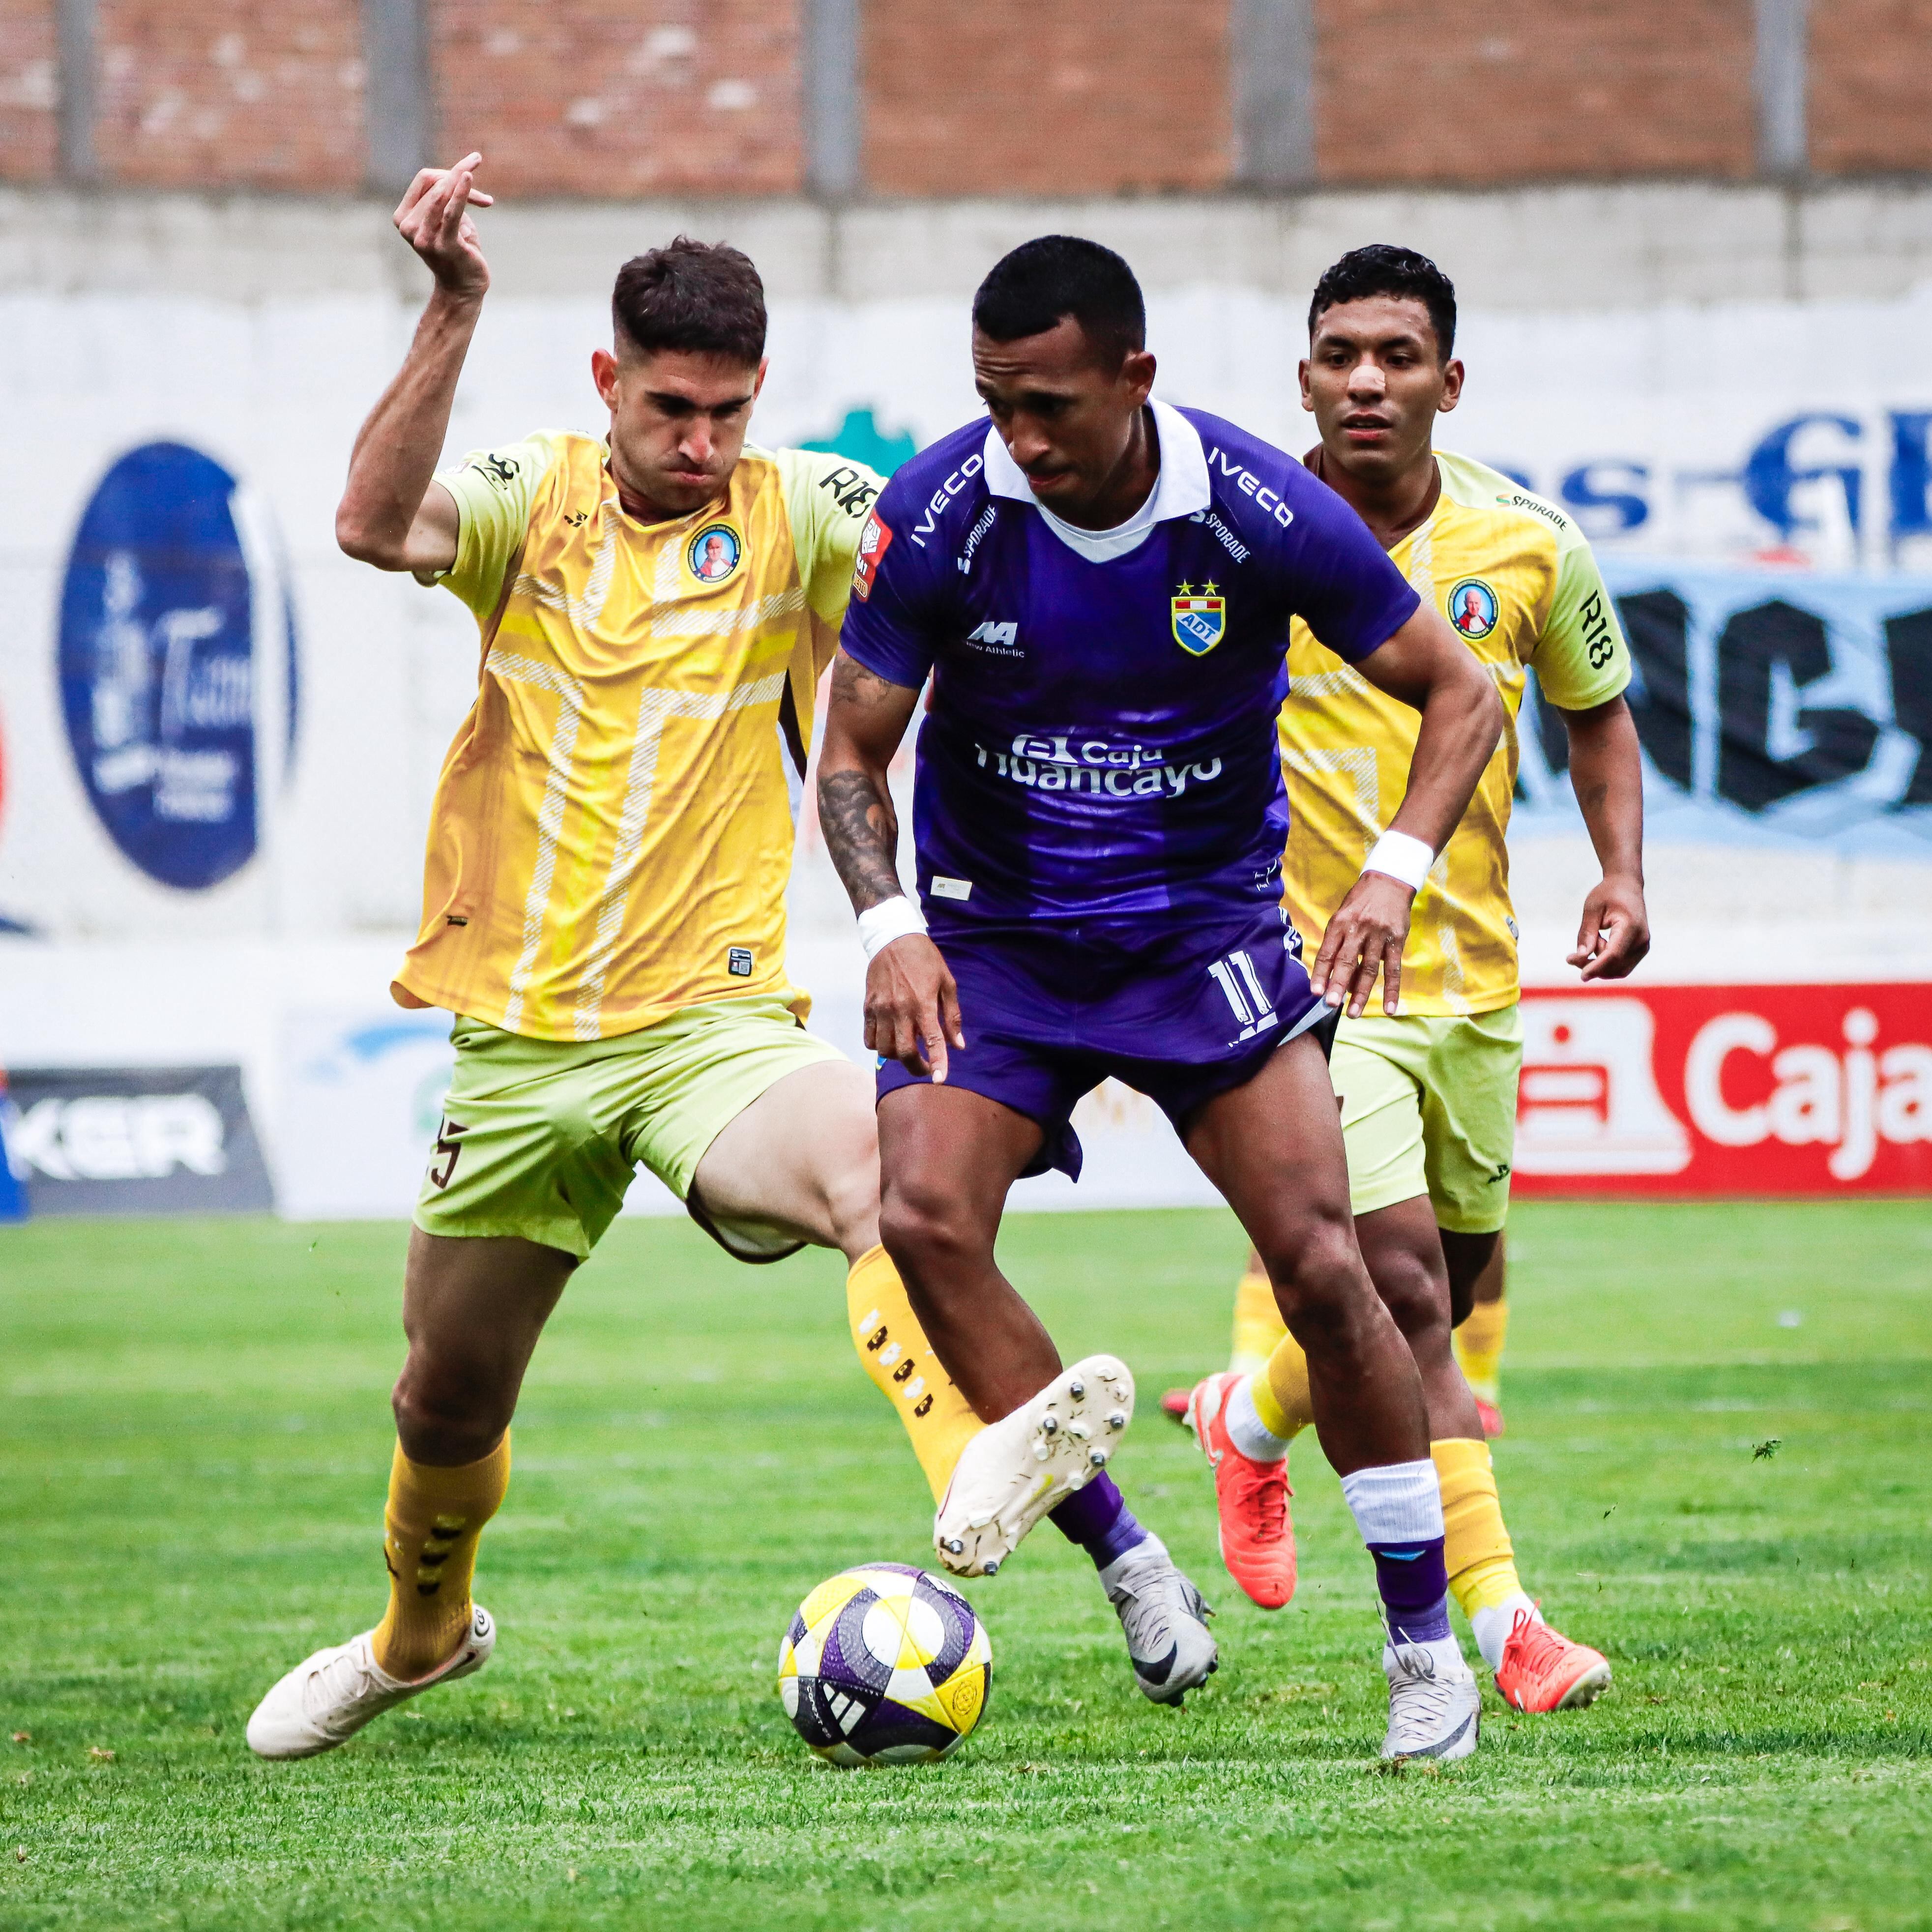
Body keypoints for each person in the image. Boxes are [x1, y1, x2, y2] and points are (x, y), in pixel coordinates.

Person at [245, 155, 904, 1758]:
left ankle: (997, 1496)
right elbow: (368, 522)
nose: (703, 443)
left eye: (730, 411)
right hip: (524, 1039)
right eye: (674, 408)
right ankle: (419, 1635)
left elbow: (957, 558)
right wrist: (456, 304)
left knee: (883, 1181)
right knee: (442, 1398)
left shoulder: (799, 506)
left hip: (715, 1024)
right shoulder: (527, 497)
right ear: (608, 379)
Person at [817, 235, 1508, 1758]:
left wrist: (1390, 870)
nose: (1024, 438)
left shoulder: (1256, 508)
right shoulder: (941, 509)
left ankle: (1421, 1655)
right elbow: (851, 748)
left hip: (1198, 938)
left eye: (1052, 404)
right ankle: (1128, 1559)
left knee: (1330, 1270)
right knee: (923, 1218)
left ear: (1135, 376)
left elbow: (1459, 692)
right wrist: (887, 926)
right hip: (995, 944)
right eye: (997, 401)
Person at [1176, 244, 1647, 1717]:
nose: (1365, 380)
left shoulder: (1527, 545)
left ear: (1450, 379)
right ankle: (1502, 1620)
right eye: (1337, 354)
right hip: (1300, 986)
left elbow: (1597, 713)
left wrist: (1620, 871)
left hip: (1473, 983)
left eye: (1395, 354)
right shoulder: (1244, 534)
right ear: (1302, 377)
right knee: (1401, 1303)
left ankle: (1245, 1418)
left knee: (1430, 1286)